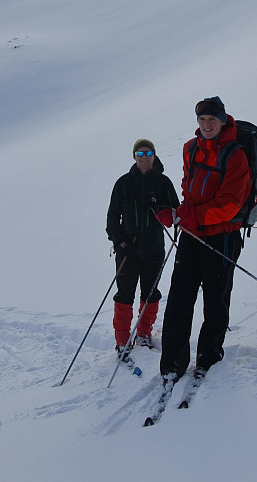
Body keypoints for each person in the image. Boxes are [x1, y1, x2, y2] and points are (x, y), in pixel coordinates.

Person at [156, 96, 251, 381]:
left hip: (222, 237)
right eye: (202, 120)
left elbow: (230, 204)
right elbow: (188, 188)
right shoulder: (190, 149)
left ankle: (209, 357)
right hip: (192, 235)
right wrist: (177, 214)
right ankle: (172, 363)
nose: (207, 125)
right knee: (178, 301)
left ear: (223, 120)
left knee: (216, 301)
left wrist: (189, 216)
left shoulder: (235, 155)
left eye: (212, 120)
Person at [106, 138, 180, 359]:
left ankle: (144, 332)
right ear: (134, 157)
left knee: (150, 292)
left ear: (154, 156)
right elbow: (112, 217)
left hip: (154, 248)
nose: (145, 157)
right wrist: (120, 242)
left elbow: (176, 214)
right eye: (140, 153)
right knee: (125, 294)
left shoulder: (164, 183)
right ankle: (122, 337)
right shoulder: (123, 183)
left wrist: (164, 210)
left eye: (148, 153)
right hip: (127, 250)